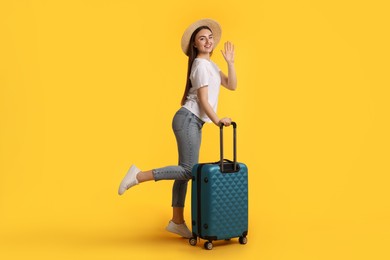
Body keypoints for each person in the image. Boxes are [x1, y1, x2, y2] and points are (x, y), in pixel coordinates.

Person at [118, 18, 237, 239]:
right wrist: (218, 120)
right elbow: (203, 101)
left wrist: (230, 62)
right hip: (188, 119)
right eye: (202, 38)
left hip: (194, 121)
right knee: (188, 170)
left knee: (185, 172)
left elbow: (232, 85)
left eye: (210, 37)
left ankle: (177, 221)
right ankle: (138, 175)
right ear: (195, 44)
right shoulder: (200, 66)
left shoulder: (211, 65)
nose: (208, 41)